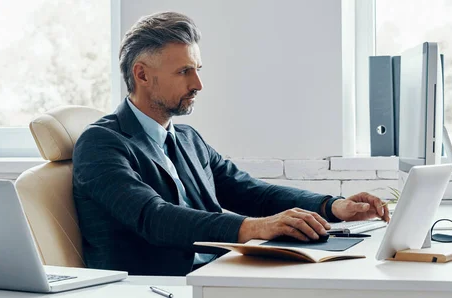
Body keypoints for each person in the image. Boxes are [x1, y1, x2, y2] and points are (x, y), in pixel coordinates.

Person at [72, 11, 389, 276]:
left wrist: (333, 206)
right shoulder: (100, 143)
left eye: (197, 70)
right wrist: (255, 228)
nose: (198, 84)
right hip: (155, 286)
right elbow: (153, 218)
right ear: (141, 74)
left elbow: (254, 193)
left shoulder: (187, 139)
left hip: (216, 275)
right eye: (184, 71)